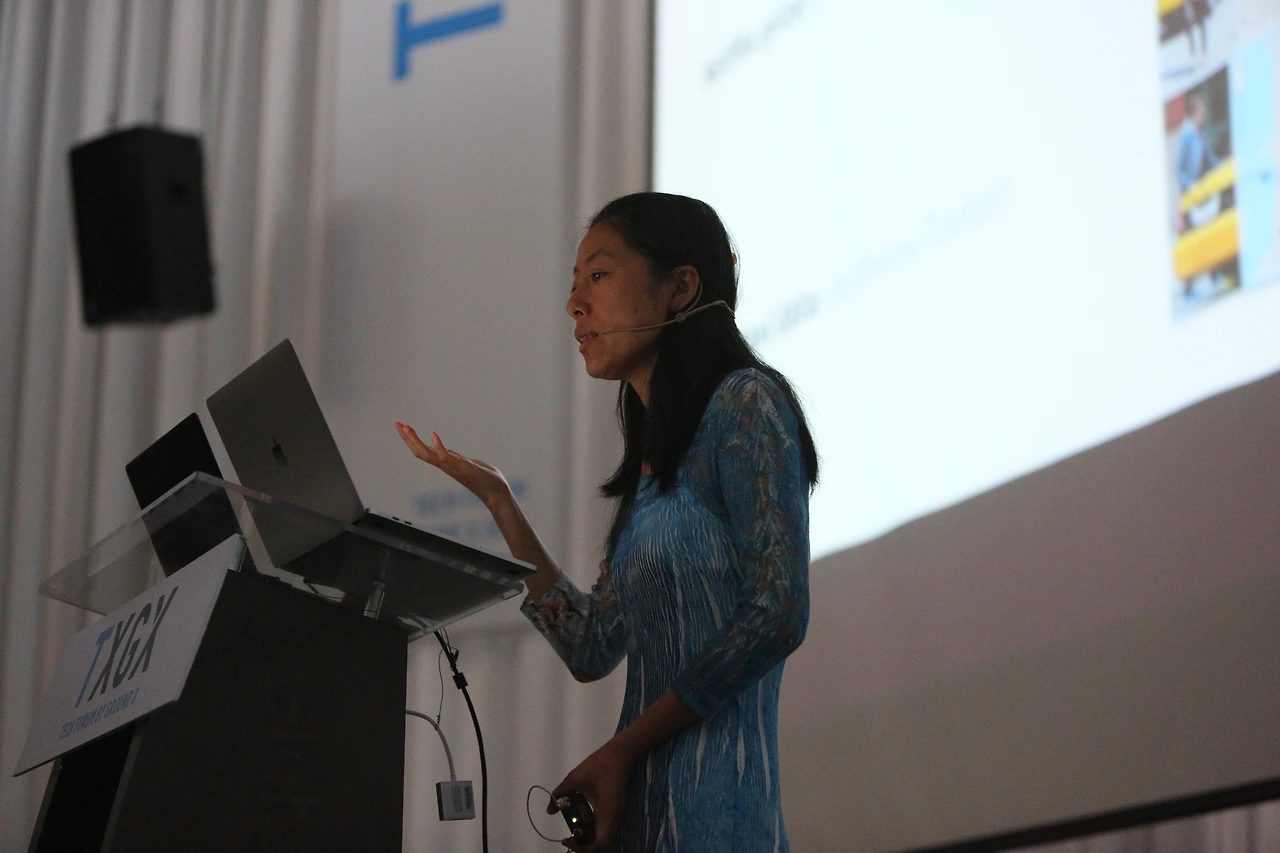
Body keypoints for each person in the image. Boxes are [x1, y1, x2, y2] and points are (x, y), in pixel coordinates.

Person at [395, 192, 818, 851]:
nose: (574, 303)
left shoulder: (746, 402)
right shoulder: (652, 462)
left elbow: (778, 613)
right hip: (635, 814)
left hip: (718, 813)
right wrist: (500, 502)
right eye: (574, 283)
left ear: (680, 288)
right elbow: (591, 645)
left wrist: (622, 748)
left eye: (598, 274)